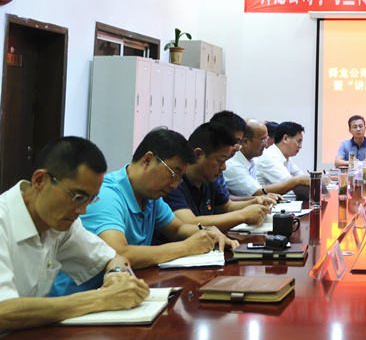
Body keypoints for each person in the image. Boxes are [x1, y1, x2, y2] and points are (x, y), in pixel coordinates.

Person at [49, 128, 238, 296]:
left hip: (122, 293)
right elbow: (117, 252)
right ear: (148, 160)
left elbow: (178, 229)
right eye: (174, 174)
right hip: (78, 298)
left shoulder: (150, 196)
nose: (174, 185)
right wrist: (187, 247)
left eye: (180, 178)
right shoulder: (106, 195)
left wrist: (207, 232)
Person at [0, 137, 149, 333]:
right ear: (39, 181)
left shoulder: (61, 224)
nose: (82, 210)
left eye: (90, 199)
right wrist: (102, 298)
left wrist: (116, 275)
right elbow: (3, 312)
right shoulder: (4, 221)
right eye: (77, 197)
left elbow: (113, 257)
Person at [162, 122, 275, 233]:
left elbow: (226, 206)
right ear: (197, 154)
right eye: (220, 161)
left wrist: (254, 202)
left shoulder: (208, 178)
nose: (224, 167)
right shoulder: (174, 181)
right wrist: (242, 215)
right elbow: (189, 222)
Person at [223, 118, 280, 198]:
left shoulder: (251, 160)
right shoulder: (232, 165)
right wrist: (295, 181)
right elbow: (258, 193)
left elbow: (257, 188)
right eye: (262, 140)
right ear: (246, 142)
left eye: (266, 139)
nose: (265, 144)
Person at [255, 121, 311, 198]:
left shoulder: (285, 157)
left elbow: (300, 175)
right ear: (285, 139)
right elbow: (291, 185)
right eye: (298, 141)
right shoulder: (270, 158)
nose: (300, 146)